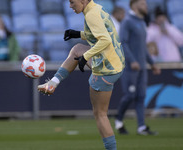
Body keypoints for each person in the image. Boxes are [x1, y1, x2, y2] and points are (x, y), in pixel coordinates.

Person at [38, 0, 125, 149]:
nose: (70, 6)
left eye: (72, 2)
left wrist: (86, 57)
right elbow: (99, 34)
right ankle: (52, 83)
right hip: (115, 61)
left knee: (100, 115)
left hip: (106, 68)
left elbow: (104, 39)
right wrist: (77, 34)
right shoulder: (97, 9)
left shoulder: (91, 15)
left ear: (83, 1)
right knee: (77, 49)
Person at [115, 0, 160, 135]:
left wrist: (151, 63)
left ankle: (141, 127)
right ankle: (118, 120)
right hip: (130, 67)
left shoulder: (141, 22)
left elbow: (142, 47)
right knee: (129, 96)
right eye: (143, 4)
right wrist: (132, 61)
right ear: (134, 6)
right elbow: (123, 43)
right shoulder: (127, 21)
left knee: (141, 96)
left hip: (141, 68)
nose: (146, 6)